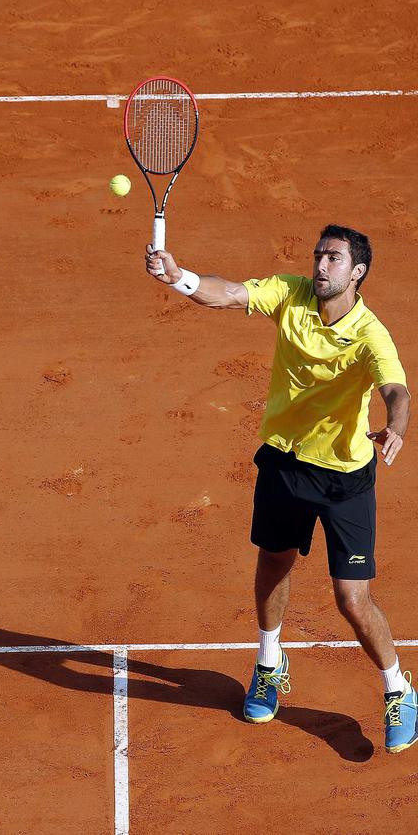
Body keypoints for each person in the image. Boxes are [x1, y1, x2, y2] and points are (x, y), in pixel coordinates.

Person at [146, 224, 416, 753]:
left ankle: (400, 690)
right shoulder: (291, 294)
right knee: (274, 562)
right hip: (285, 463)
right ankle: (269, 663)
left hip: (343, 477)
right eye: (319, 256)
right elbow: (230, 294)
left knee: (352, 599)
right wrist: (182, 278)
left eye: (333, 259)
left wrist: (397, 427)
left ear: (357, 272)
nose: (320, 266)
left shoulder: (369, 334)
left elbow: (396, 389)